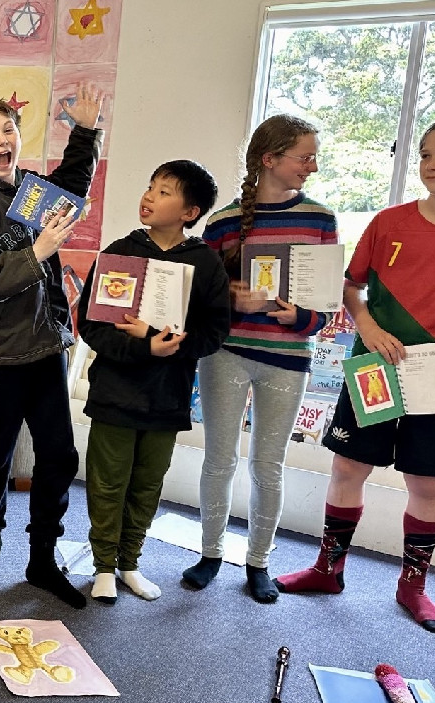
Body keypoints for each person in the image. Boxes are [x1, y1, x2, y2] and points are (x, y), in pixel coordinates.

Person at [275, 117, 435, 633]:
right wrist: (371, 329)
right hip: (375, 366)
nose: (431, 164)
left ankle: (413, 587)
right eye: (425, 154)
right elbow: (351, 287)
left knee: (426, 482)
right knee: (348, 470)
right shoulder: (389, 222)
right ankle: (327, 569)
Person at [0, 87, 103, 608]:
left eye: (7, 130)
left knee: (59, 454)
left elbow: (73, 182)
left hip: (46, 349)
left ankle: (41, 559)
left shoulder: (28, 194)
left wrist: (87, 130)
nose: (1, 139)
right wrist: (37, 252)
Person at [185, 115, 339, 602]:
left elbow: (327, 309)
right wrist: (233, 298)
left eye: (314, 156)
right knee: (218, 460)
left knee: (268, 465)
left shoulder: (320, 219)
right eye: (305, 157)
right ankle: (210, 554)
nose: (312, 167)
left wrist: (300, 317)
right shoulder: (225, 221)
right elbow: (198, 298)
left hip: (287, 358)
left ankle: (259, 563)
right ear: (269, 159)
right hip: (227, 355)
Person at [77, 160, 230, 603]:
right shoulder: (121, 252)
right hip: (116, 393)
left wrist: (173, 347)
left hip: (167, 397)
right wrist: (144, 346)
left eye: (164, 192)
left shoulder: (205, 262)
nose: (149, 196)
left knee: (147, 483)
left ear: (189, 211)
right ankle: (103, 565)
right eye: (150, 187)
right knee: (108, 482)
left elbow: (214, 332)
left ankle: (129, 563)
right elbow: (93, 325)